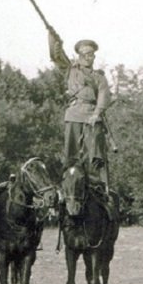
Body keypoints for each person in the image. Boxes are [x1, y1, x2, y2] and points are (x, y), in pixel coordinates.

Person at [48, 30, 112, 190]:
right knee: (71, 155)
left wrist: (97, 114)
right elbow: (57, 56)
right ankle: (68, 185)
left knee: (95, 156)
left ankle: (97, 186)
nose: (88, 57)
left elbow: (104, 96)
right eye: (84, 54)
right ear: (79, 55)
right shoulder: (71, 70)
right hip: (74, 114)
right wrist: (54, 39)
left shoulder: (99, 78)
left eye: (91, 54)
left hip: (91, 116)